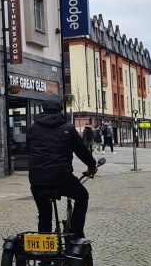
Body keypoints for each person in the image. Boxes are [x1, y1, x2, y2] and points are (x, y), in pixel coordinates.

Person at [26, 99, 98, 239]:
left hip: (37, 180)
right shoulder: (68, 129)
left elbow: (29, 152)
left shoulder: (32, 129)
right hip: (62, 178)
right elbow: (82, 151)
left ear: (43, 108)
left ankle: (45, 249)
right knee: (82, 196)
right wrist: (92, 166)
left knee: (44, 214)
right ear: (60, 109)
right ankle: (76, 233)